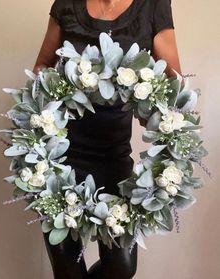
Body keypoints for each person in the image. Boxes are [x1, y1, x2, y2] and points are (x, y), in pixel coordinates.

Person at [33, 0, 183, 278]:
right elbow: (42, 65)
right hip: (59, 160)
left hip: (114, 158)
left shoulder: (153, 5)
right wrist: (56, 84)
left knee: (122, 268)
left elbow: (174, 81)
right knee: (67, 272)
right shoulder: (67, 4)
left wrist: (149, 99)